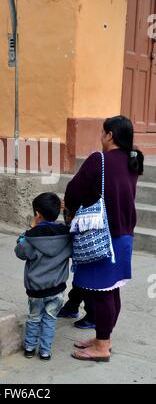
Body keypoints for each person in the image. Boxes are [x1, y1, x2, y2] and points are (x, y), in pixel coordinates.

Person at [64, 115, 144, 361]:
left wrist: (70, 210)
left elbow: (74, 191)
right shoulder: (132, 160)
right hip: (124, 235)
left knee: (100, 292)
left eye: (102, 133)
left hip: (102, 236)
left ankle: (102, 347)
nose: (101, 137)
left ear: (109, 135)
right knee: (112, 290)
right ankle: (103, 339)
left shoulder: (99, 159)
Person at [15, 192, 72, 360]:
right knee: (50, 319)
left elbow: (19, 252)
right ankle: (45, 351)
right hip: (57, 289)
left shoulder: (31, 238)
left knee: (34, 318)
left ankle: (30, 348)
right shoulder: (66, 236)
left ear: (37, 214)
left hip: (36, 290)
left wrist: (29, 230)